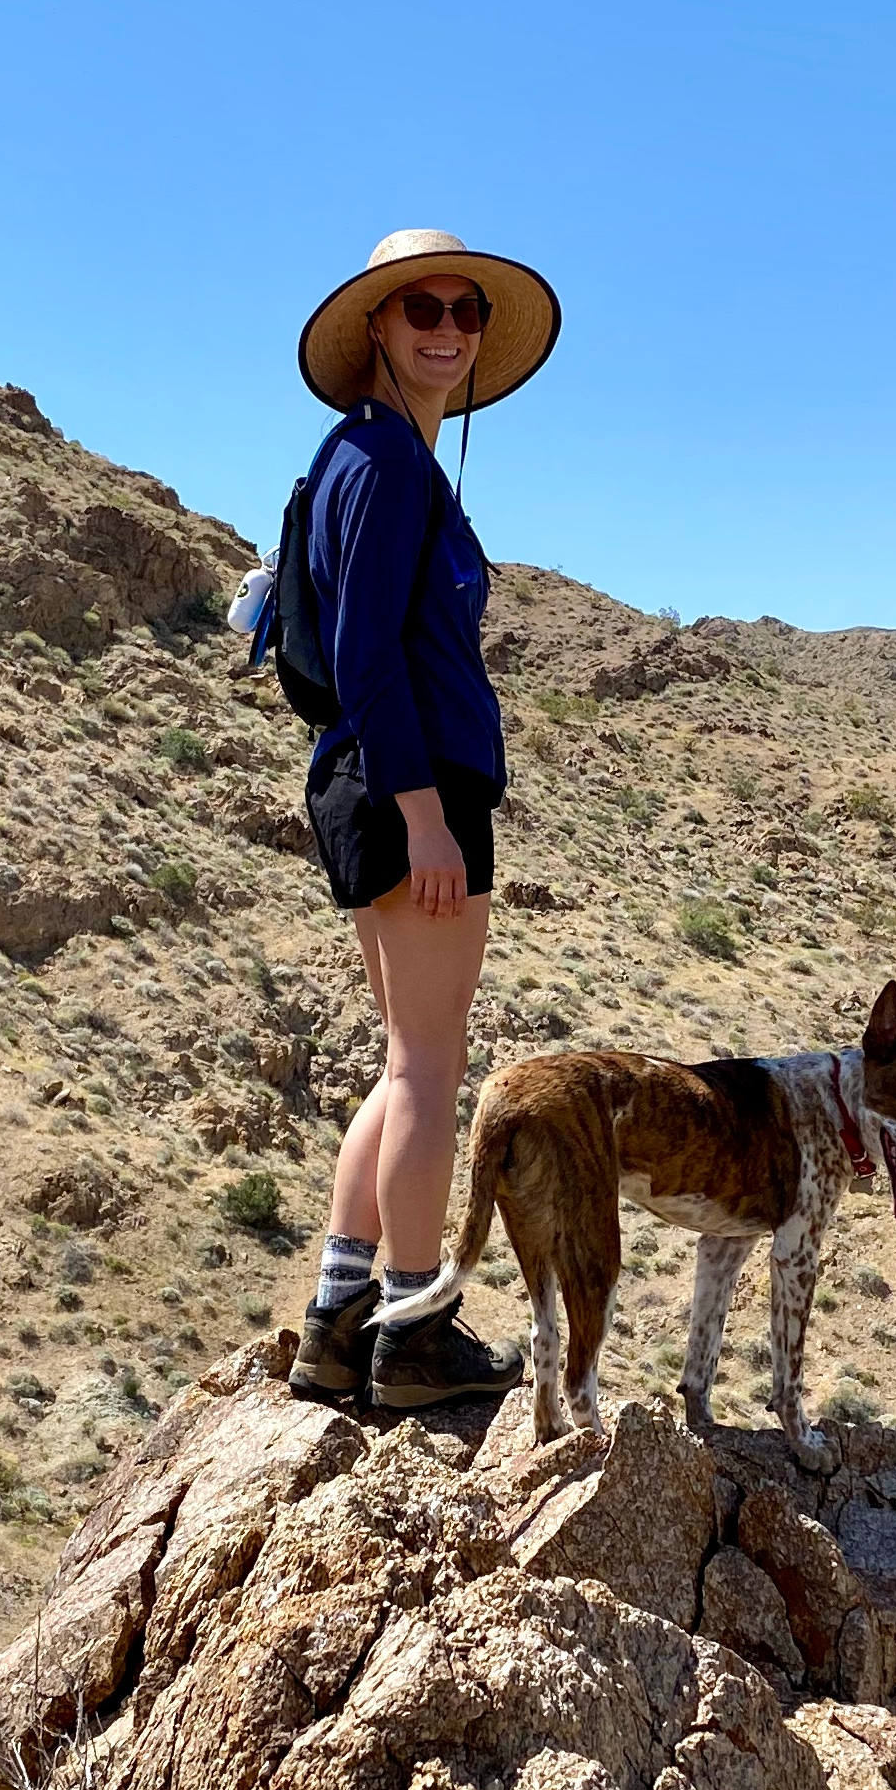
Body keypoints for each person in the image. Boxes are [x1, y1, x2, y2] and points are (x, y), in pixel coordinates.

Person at [287, 225, 560, 1413]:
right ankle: (412, 1332)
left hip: (369, 784)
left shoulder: (358, 455)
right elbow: (365, 655)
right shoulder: (390, 466)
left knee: (407, 1063)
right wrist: (426, 816)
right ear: (379, 328)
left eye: (467, 310)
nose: (448, 328)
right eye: (423, 309)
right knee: (429, 1070)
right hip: (413, 793)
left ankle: (338, 1319)